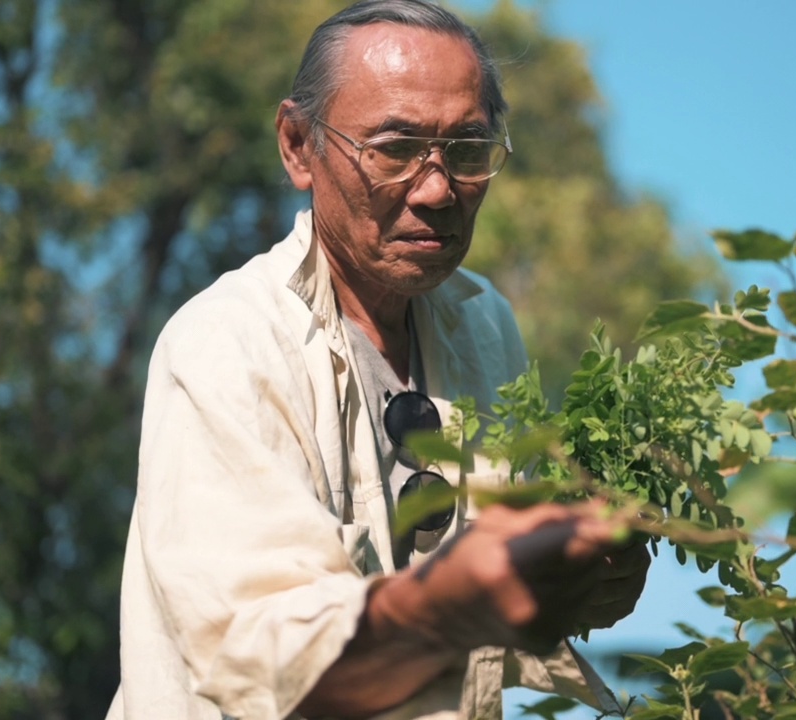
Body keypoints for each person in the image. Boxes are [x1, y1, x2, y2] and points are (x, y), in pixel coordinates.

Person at [104, 1, 650, 718]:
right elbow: (269, 667)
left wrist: (572, 584)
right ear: (299, 146)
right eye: (394, 149)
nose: (436, 190)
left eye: (468, 151)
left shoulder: (485, 328)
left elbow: (489, 615)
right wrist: (453, 600)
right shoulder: (227, 343)